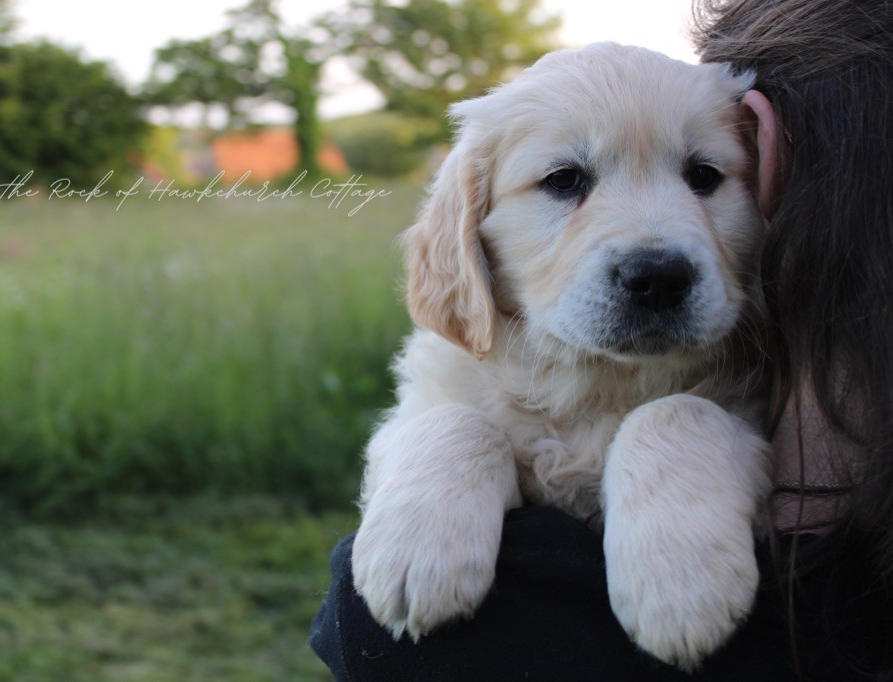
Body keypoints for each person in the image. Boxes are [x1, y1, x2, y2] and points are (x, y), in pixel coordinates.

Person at [310, 0, 893, 678]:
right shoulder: (458, 390)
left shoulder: (766, 376)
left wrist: (687, 438)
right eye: (565, 180)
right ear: (471, 230)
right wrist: (448, 449)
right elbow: (417, 434)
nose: (657, 253)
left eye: (703, 176)